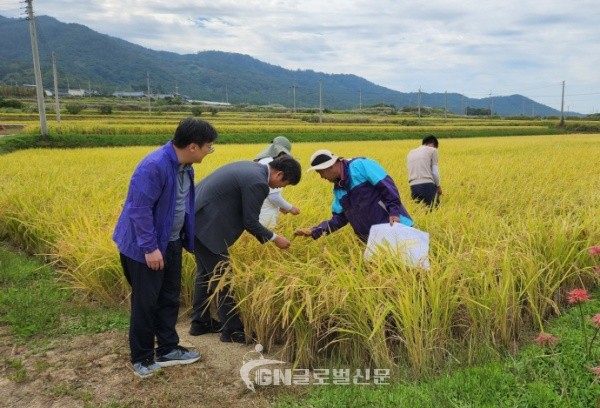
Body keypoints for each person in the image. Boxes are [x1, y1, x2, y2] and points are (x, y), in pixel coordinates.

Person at [112, 117, 218, 378]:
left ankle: (168, 349)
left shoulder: (186, 167)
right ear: (193, 146)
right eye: (208, 146)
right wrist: (150, 248)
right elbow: (139, 209)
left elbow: (181, 205)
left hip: (170, 243)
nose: (209, 151)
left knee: (169, 297)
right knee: (146, 303)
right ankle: (142, 358)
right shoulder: (154, 165)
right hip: (143, 248)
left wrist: (184, 239)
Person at [189, 155, 302, 343]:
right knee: (224, 277)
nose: (279, 188)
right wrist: (275, 238)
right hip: (207, 227)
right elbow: (250, 221)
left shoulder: (250, 167)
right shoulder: (258, 182)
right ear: (279, 173)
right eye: (284, 184)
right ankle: (232, 331)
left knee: (205, 275)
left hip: (196, 220)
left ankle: (200, 322)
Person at [294, 149, 413, 243]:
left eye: (321, 172)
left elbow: (387, 187)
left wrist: (394, 212)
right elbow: (339, 218)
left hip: (395, 227)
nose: (322, 177)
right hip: (373, 239)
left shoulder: (361, 165)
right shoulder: (339, 190)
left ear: (329, 166)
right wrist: (315, 230)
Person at [254, 136, 301, 228]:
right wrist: (291, 208)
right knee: (265, 235)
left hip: (261, 206)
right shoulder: (270, 163)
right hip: (265, 211)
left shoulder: (264, 161)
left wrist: (280, 207)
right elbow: (273, 196)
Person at [407, 135, 442, 208]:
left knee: (421, 211)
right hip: (427, 185)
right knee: (435, 210)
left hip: (413, 187)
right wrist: (438, 186)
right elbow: (435, 172)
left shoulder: (410, 153)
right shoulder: (433, 150)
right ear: (433, 144)